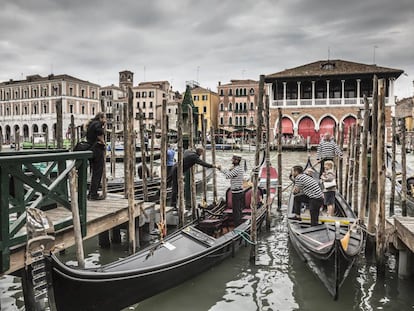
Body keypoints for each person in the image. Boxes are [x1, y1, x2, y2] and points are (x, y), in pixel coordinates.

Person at [217, 154, 244, 226]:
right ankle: (238, 223)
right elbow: (229, 173)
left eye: (233, 159)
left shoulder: (237, 169)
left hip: (237, 192)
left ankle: (237, 225)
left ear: (237, 161)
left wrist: (221, 169)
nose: (232, 160)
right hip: (238, 191)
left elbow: (228, 176)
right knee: (238, 209)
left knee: (236, 210)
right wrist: (224, 170)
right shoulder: (237, 168)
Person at [86, 112, 107, 200]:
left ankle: (91, 193)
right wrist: (104, 143)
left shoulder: (90, 124)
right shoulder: (98, 124)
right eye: (104, 118)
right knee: (98, 172)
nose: (105, 120)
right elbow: (99, 134)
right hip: (97, 149)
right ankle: (93, 194)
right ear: (101, 118)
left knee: (93, 171)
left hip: (90, 149)